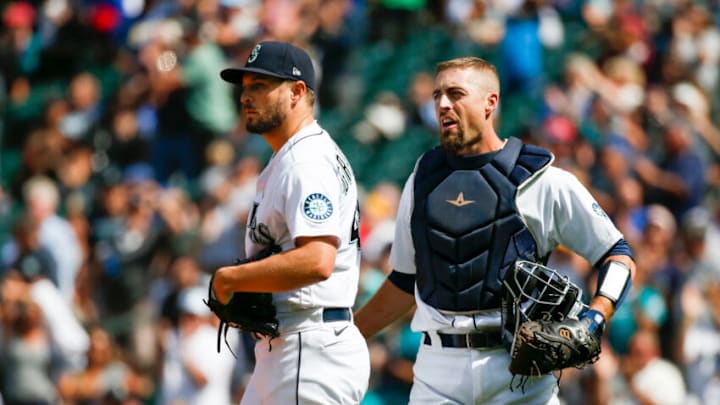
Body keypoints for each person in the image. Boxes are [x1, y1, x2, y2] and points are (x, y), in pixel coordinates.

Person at [354, 56, 637, 404]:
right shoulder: (421, 180)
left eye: (456, 93)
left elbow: (617, 254)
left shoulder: (540, 179)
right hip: (438, 370)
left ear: (490, 102)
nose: (443, 104)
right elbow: (404, 280)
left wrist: (596, 317)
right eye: (438, 95)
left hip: (520, 370)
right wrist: (348, 334)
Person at [211, 40, 370, 404]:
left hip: (309, 346)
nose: (246, 97)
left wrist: (230, 278)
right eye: (246, 88)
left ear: (298, 92)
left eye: (261, 87)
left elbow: (317, 259)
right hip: (292, 347)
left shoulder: (306, 162)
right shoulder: (292, 157)